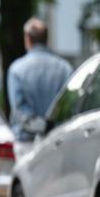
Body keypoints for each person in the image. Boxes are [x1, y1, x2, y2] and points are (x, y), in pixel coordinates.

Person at [6, 17, 73, 158]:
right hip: (57, 141)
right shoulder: (64, 68)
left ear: (27, 39)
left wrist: (38, 126)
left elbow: (19, 109)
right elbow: (68, 106)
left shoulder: (16, 69)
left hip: (26, 143)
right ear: (46, 40)